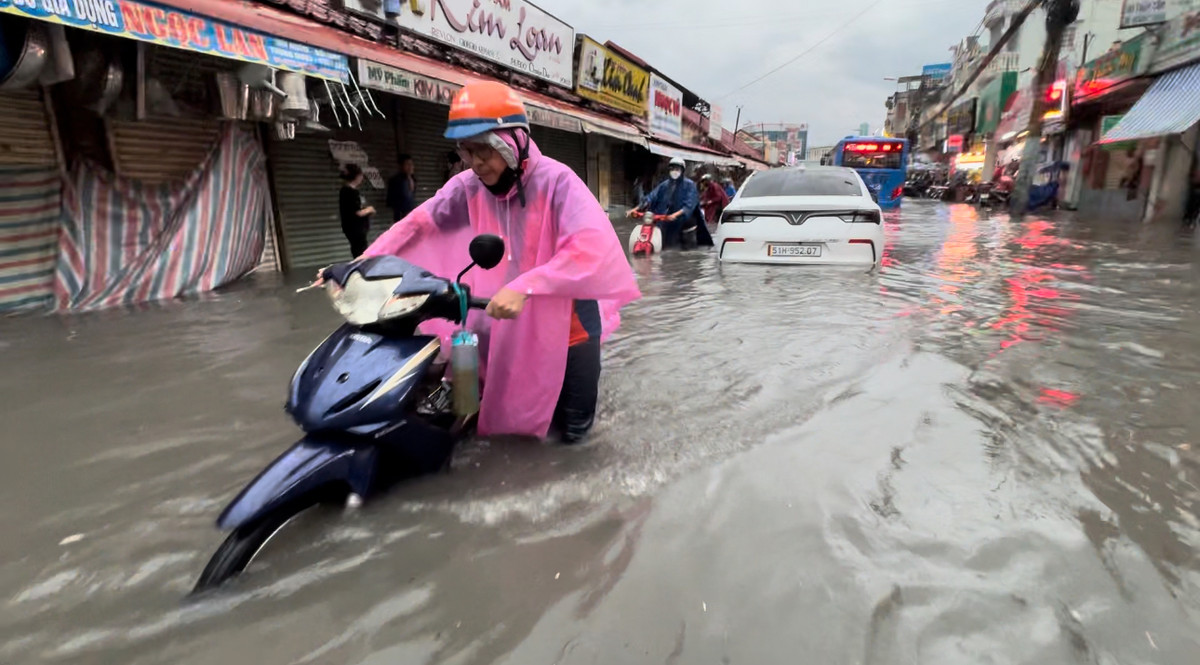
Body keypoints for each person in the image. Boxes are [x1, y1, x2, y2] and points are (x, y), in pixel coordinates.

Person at [360, 81, 640, 443]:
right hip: (506, 322)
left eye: (485, 150)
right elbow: (419, 224)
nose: (476, 163)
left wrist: (526, 285)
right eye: (467, 151)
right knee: (505, 429)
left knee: (574, 437)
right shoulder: (468, 187)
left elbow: (590, 248)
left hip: (570, 329)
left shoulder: (558, 182)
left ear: (514, 143)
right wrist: (364, 264)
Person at [628, 157, 713, 249]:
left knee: (687, 251)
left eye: (677, 169)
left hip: (686, 223)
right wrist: (634, 209)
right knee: (664, 245)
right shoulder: (665, 185)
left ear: (682, 171)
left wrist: (675, 215)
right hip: (668, 221)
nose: (674, 172)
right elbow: (651, 197)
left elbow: (689, 206)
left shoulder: (690, 185)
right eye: (672, 169)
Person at [338, 164, 375, 257]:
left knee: (359, 251)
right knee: (360, 252)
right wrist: (370, 209)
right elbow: (357, 212)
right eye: (361, 175)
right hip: (355, 228)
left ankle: (359, 269)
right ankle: (359, 270)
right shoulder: (349, 192)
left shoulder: (351, 191)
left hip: (356, 228)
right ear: (357, 176)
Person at [386, 154, 417, 222]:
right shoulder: (395, 180)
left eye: (411, 164)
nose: (410, 167)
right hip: (400, 216)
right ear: (401, 166)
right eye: (407, 164)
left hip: (411, 215)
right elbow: (390, 200)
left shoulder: (413, 179)